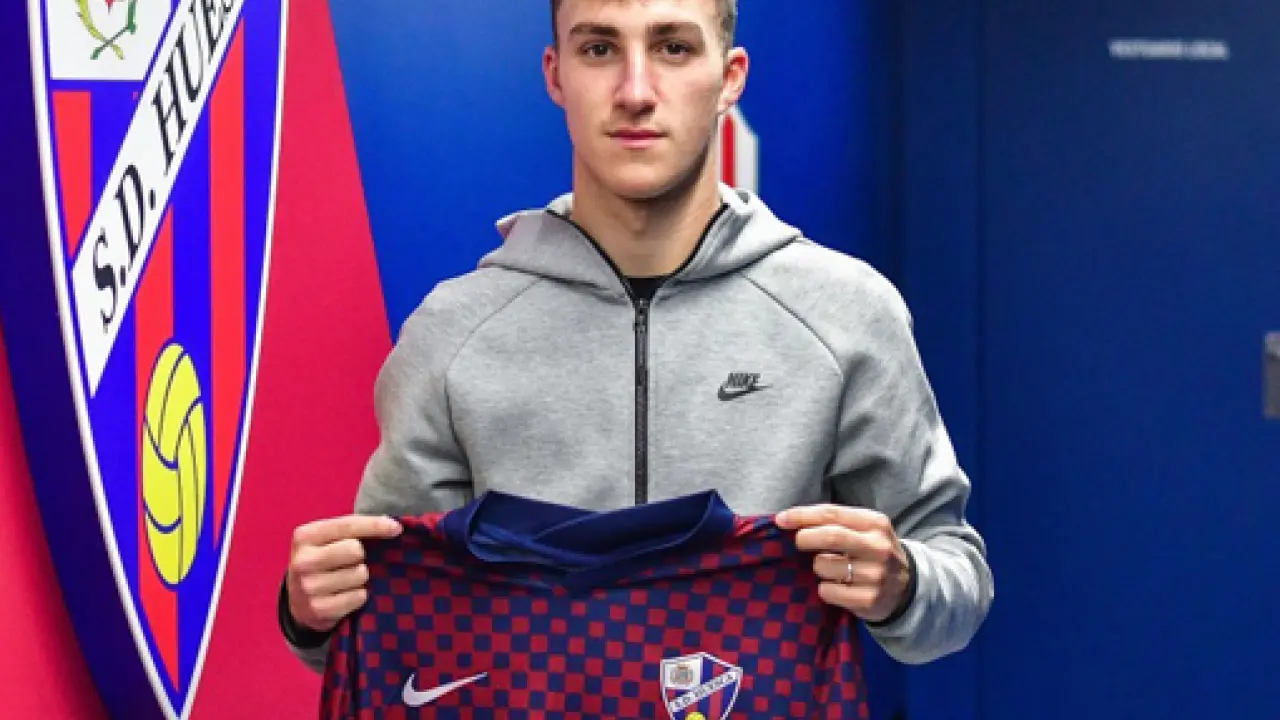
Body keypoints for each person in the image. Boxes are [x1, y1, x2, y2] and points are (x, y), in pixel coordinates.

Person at [280, 0, 993, 678]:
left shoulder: (845, 312)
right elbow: (389, 616)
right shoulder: (454, 332)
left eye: (673, 47)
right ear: (556, 74)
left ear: (730, 77)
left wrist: (905, 583)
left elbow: (956, 576)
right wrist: (310, 616)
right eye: (599, 49)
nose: (636, 91)